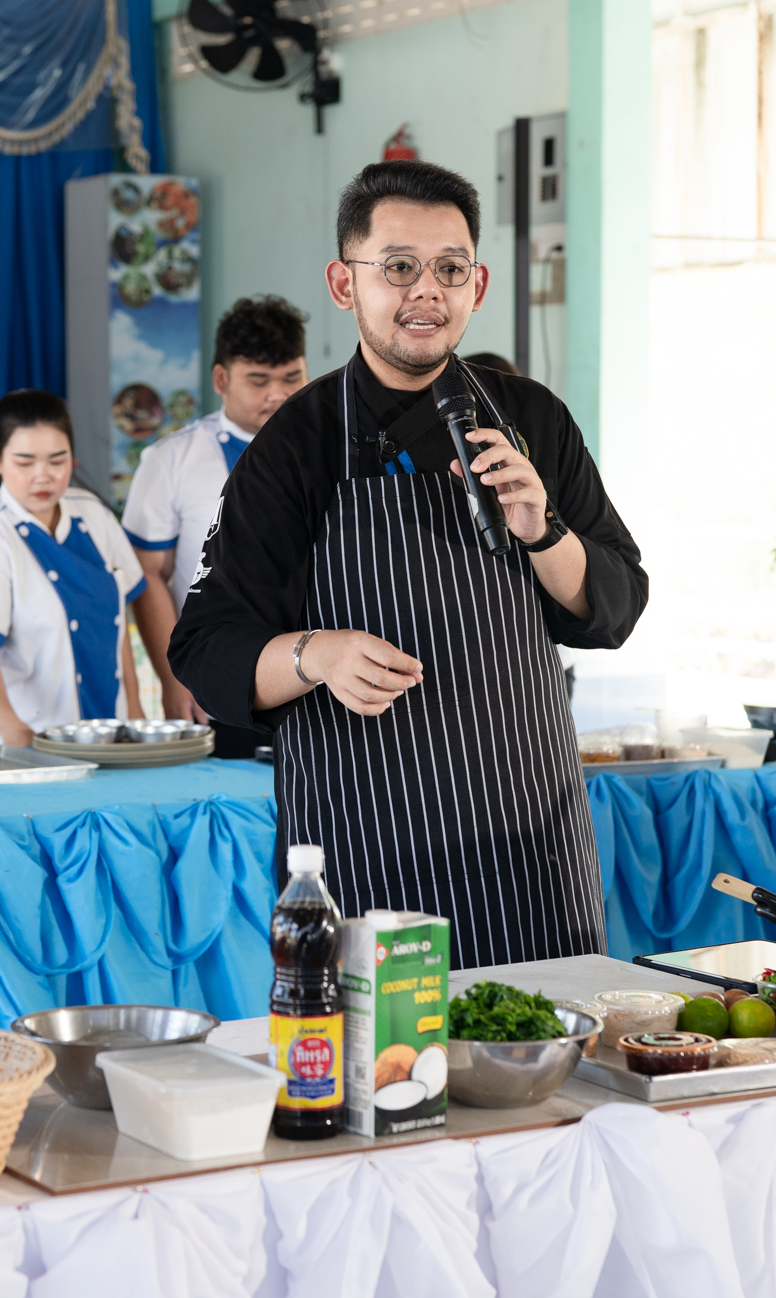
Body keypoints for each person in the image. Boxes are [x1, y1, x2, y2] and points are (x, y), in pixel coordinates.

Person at [168, 160, 648, 970]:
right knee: (384, 1051)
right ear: (344, 283)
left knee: (548, 1043)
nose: (426, 290)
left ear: (477, 285)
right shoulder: (294, 445)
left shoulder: (533, 420)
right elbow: (205, 648)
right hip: (367, 848)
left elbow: (618, 604)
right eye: (397, 266)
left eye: (450, 269)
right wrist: (316, 654)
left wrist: (544, 531)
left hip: (532, 848)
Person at [124, 295, 308, 756]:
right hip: (217, 676)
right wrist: (174, 679)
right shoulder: (170, 459)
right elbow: (149, 574)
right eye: (258, 381)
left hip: (314, 674)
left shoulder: (330, 449)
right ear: (221, 379)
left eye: (291, 378)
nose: (277, 395)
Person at [0, 391, 154, 747]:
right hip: (23, 743)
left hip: (107, 735)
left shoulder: (95, 516)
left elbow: (117, 633)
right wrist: (16, 733)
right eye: (25, 463)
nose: (43, 476)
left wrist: (133, 714)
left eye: (57, 461)